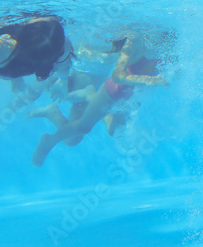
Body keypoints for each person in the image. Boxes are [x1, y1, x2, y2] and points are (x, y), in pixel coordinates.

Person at [28, 36, 166, 167]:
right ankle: (49, 140)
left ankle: (61, 109)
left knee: (110, 132)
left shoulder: (165, 42)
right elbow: (117, 75)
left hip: (123, 90)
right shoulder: (134, 40)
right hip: (100, 85)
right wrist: (60, 79)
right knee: (78, 133)